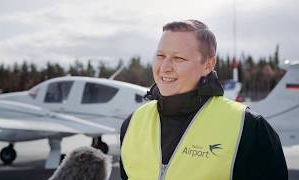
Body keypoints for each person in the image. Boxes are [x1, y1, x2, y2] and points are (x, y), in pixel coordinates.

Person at [119, 19, 288, 179]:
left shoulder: (249, 128)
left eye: (179, 58)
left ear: (208, 65)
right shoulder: (132, 123)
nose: (165, 67)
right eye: (160, 56)